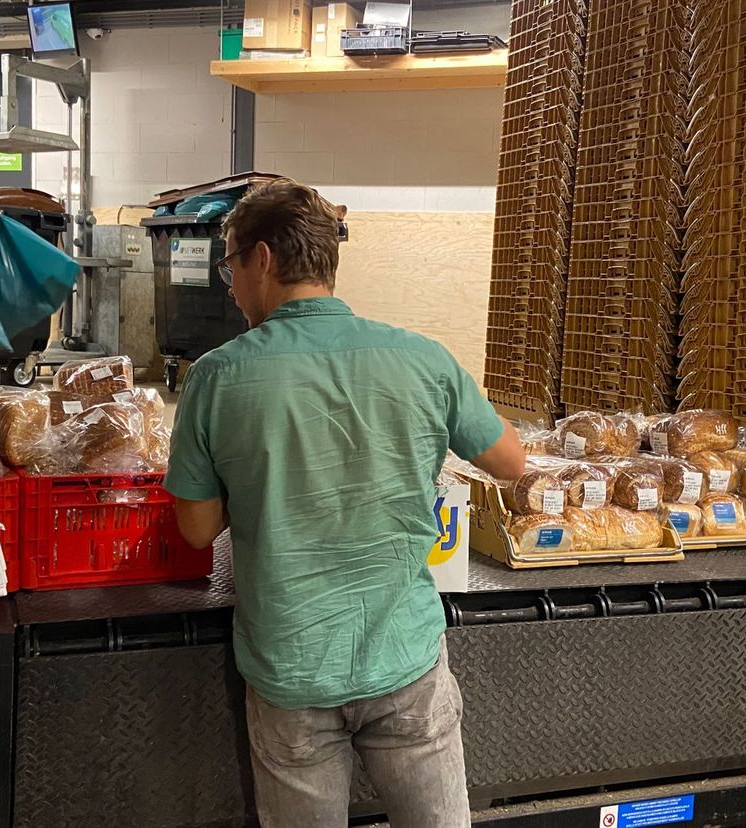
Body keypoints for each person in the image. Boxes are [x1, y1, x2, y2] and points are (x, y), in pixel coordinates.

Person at [164, 179, 526, 827]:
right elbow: (510, 462)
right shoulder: (423, 358)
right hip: (404, 660)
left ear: (264, 259)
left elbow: (196, 530)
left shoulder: (216, 377)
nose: (232, 284)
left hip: (291, 674)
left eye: (231, 265)